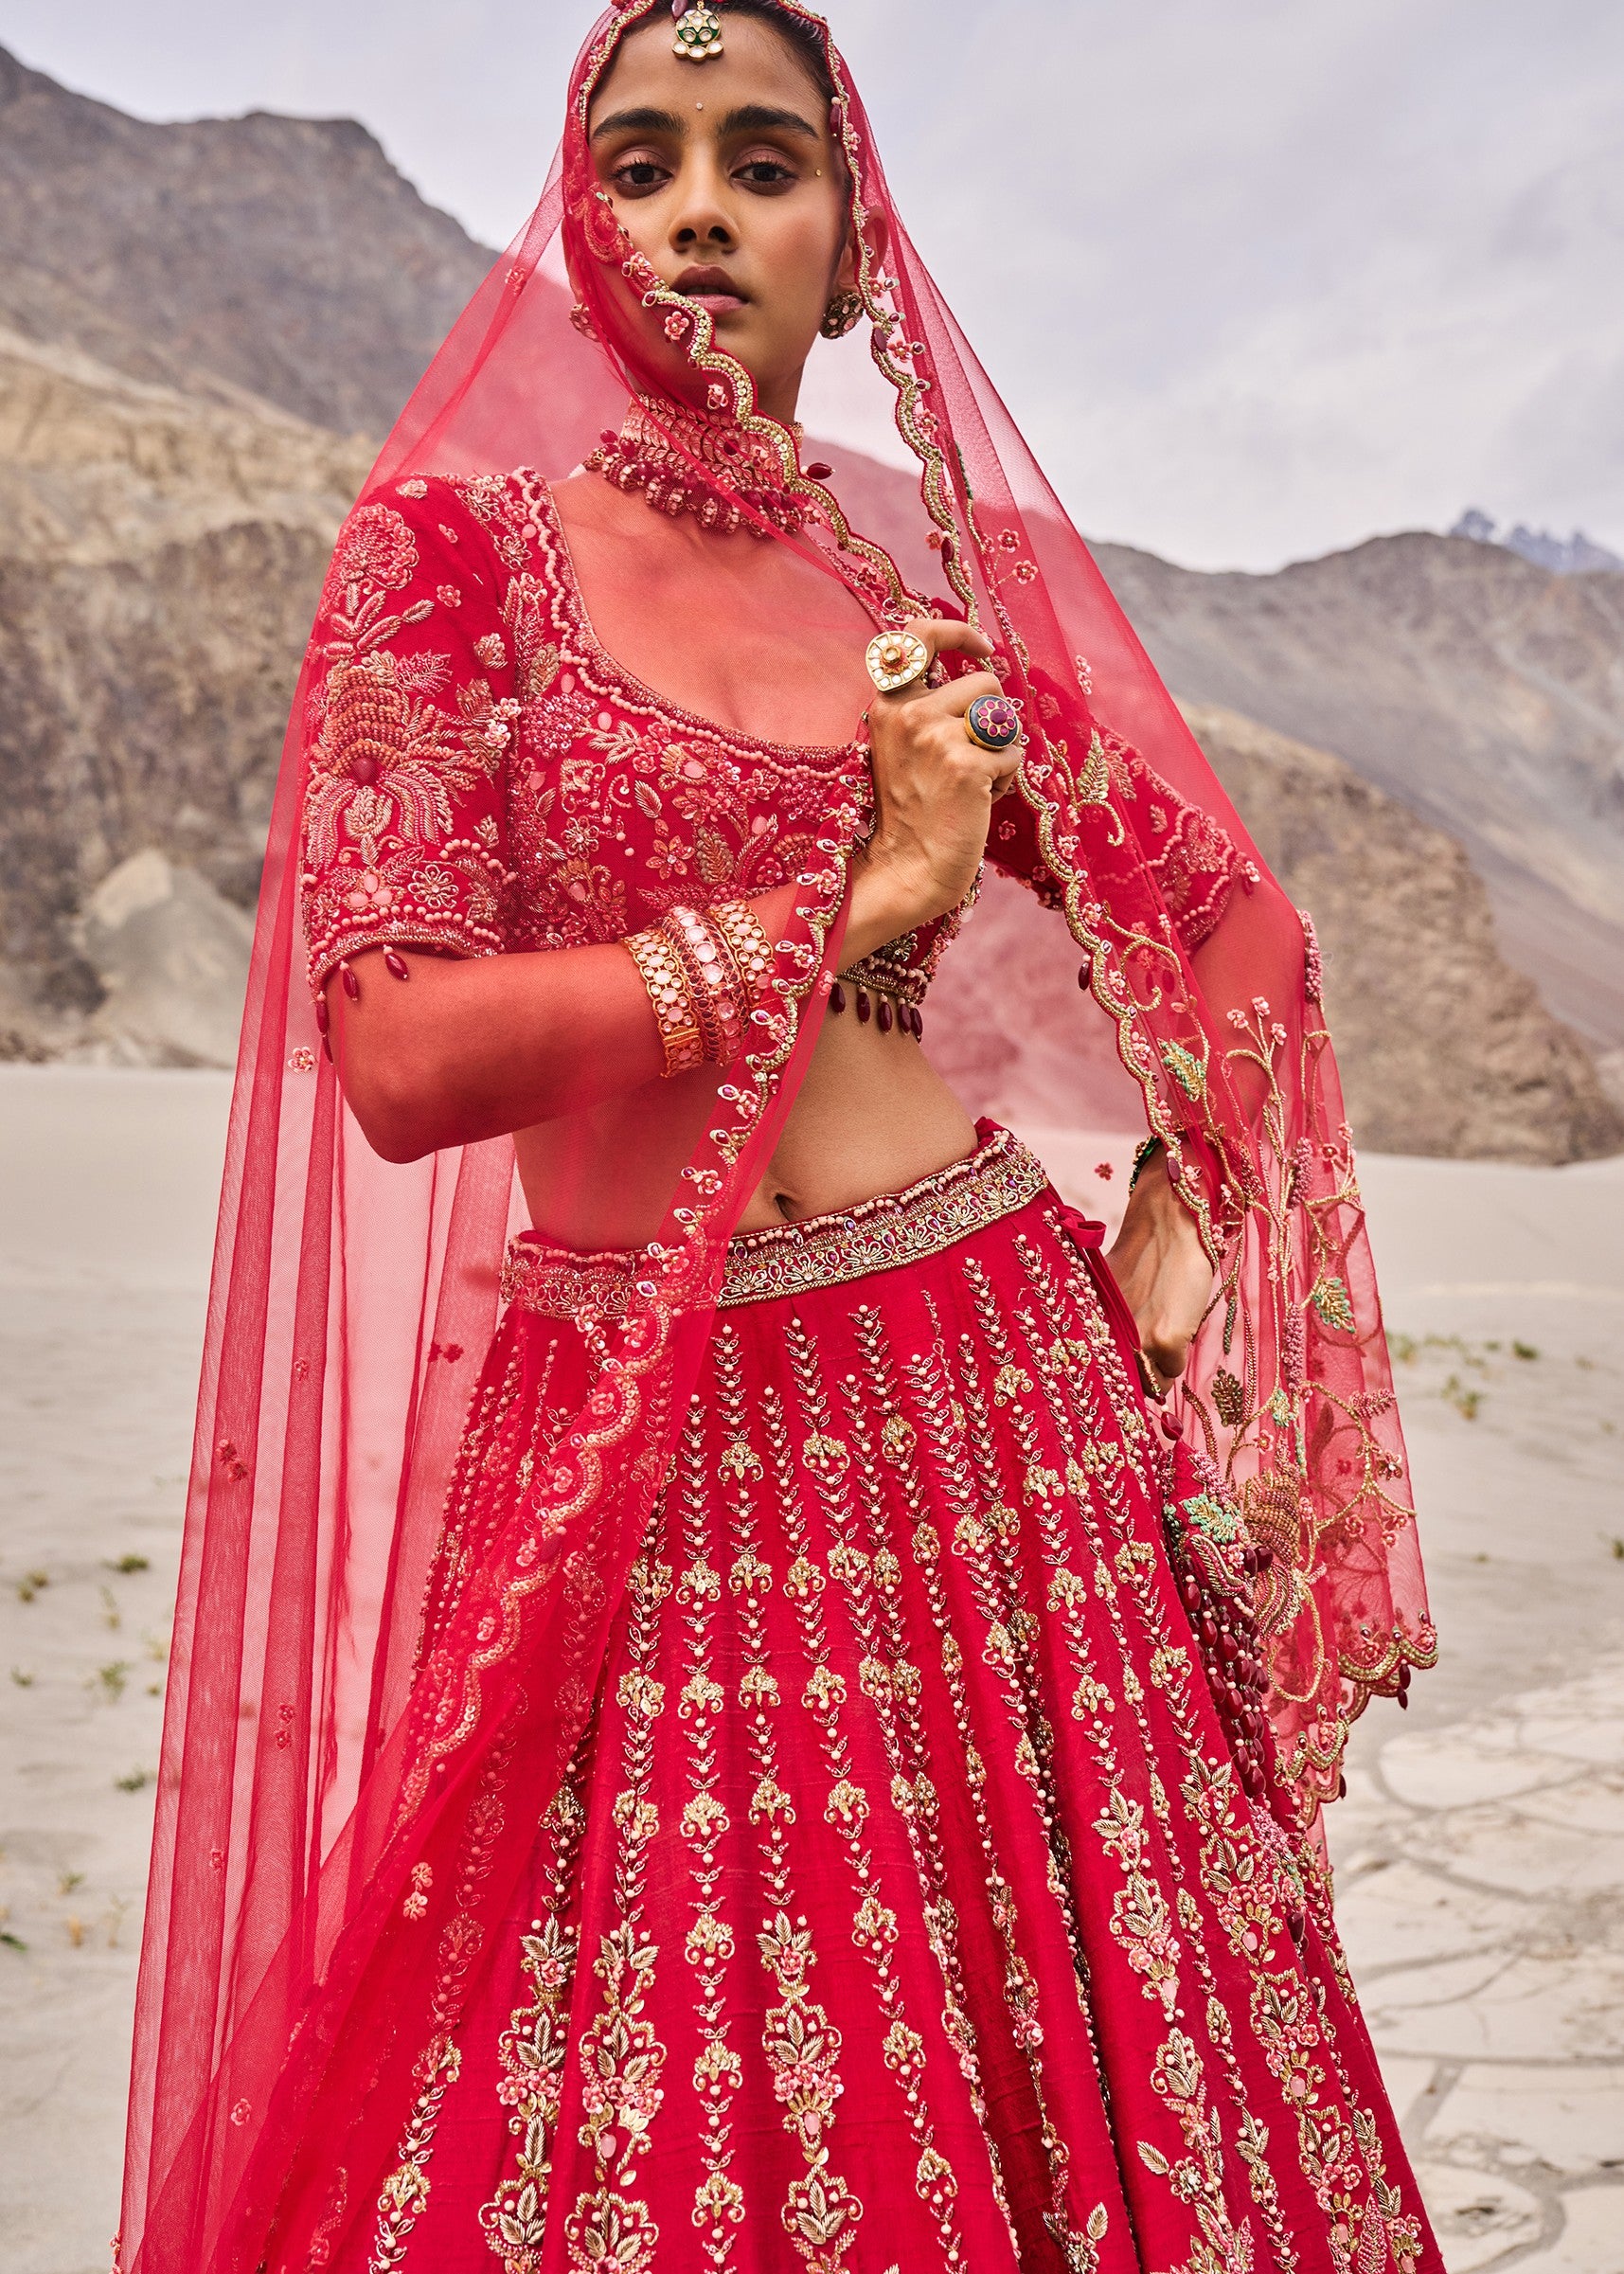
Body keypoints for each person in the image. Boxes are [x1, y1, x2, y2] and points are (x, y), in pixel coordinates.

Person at [118, 6, 1439, 2270]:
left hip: (998, 1399)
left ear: (853, 246)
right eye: (638, 164)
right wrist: (856, 898)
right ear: (579, 226)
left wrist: (1172, 1236)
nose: (701, 206)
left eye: (761, 158)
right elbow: (405, 1053)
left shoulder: (911, 630)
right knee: (645, 2087)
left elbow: (1241, 954)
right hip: (647, 1430)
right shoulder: (457, 563)